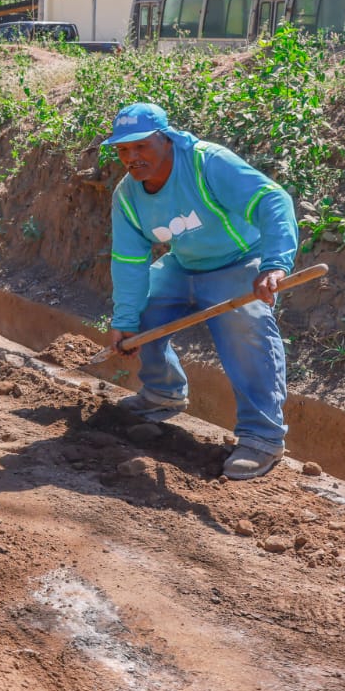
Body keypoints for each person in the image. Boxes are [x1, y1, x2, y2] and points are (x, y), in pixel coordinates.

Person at [102, 102, 299, 481]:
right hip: (184, 265)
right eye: (124, 150)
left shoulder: (207, 163)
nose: (132, 157)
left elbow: (272, 200)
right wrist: (125, 321)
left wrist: (275, 264)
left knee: (246, 327)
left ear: (166, 139)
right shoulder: (128, 196)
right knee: (141, 314)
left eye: (141, 146)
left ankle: (262, 439)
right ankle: (162, 394)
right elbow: (129, 261)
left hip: (239, 261)